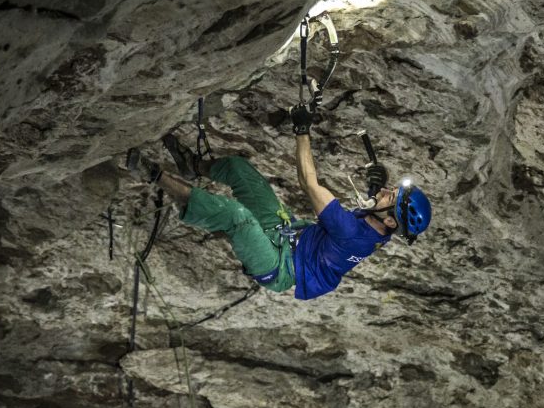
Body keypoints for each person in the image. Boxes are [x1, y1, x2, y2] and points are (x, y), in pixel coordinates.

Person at [125, 104, 432, 300]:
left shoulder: (351, 234)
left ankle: (154, 175)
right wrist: (376, 186)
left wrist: (302, 131)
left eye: (390, 196)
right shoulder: (381, 228)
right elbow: (371, 212)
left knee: (237, 216)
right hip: (285, 232)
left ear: (390, 219)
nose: (386, 191)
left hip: (278, 267)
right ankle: (193, 167)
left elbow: (308, 183)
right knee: (242, 172)